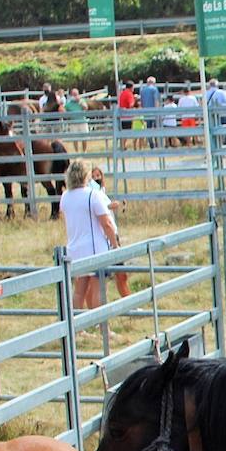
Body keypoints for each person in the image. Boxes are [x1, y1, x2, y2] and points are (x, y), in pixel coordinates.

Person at [59, 158, 119, 311]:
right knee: (100, 290)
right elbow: (106, 223)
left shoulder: (65, 196)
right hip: (95, 250)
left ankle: (78, 328)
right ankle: (103, 328)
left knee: (79, 291)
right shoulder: (93, 195)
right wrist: (115, 245)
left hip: (75, 249)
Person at [90, 166, 130, 299]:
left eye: (98, 175)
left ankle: (128, 302)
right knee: (100, 279)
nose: (97, 178)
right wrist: (109, 206)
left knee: (121, 274)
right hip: (107, 238)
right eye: (94, 176)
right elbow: (98, 211)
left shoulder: (101, 191)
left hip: (112, 235)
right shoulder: (93, 192)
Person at [139, 76, 160, 148]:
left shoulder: (142, 90)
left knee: (148, 128)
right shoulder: (154, 89)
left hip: (146, 112)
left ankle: (151, 144)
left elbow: (141, 102)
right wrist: (157, 111)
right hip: (154, 112)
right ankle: (157, 143)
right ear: (153, 82)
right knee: (156, 128)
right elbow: (156, 100)